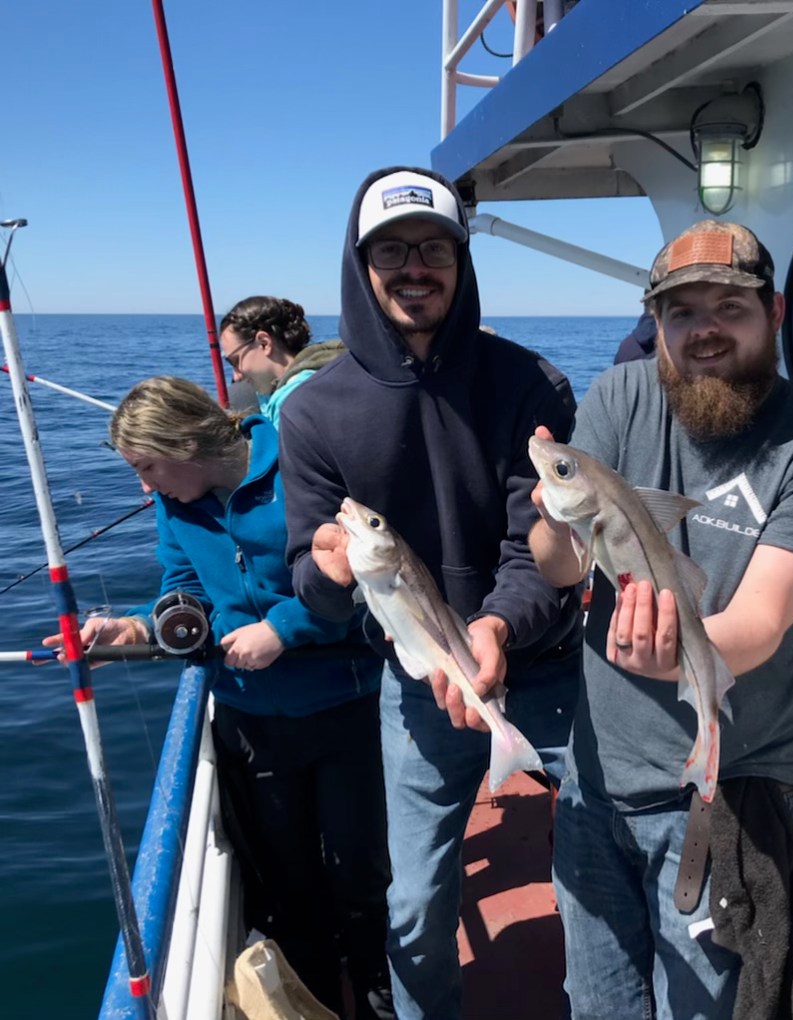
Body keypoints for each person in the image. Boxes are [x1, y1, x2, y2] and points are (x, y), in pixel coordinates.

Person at [528, 220, 793, 1020]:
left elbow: (758, 622)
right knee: (596, 1001)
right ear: (656, 325)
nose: (703, 328)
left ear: (776, 313)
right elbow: (556, 565)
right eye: (680, 311)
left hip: (719, 798)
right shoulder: (621, 394)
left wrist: (678, 661)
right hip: (593, 778)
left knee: (707, 1007)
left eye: (729, 305)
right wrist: (553, 511)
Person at [278, 166, 582, 1020]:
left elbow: (542, 544)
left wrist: (495, 626)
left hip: (551, 668)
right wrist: (333, 571)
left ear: (460, 259)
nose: (416, 268)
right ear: (360, 264)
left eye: (435, 249)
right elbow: (310, 575)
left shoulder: (532, 385)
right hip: (415, 688)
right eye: (392, 252)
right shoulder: (312, 414)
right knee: (414, 911)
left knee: (599, 872)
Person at [43, 377, 392, 1020]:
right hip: (248, 719)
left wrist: (284, 631)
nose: (144, 486)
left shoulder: (300, 461)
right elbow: (182, 588)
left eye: (146, 467)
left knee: (362, 880)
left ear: (183, 441)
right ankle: (315, 1004)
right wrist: (141, 626)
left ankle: (380, 1004)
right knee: (288, 892)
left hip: (343, 707)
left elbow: (361, 577)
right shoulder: (176, 505)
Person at [219, 295, 346, 425]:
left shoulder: (294, 404)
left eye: (235, 361)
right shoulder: (323, 372)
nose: (236, 376)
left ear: (264, 343)